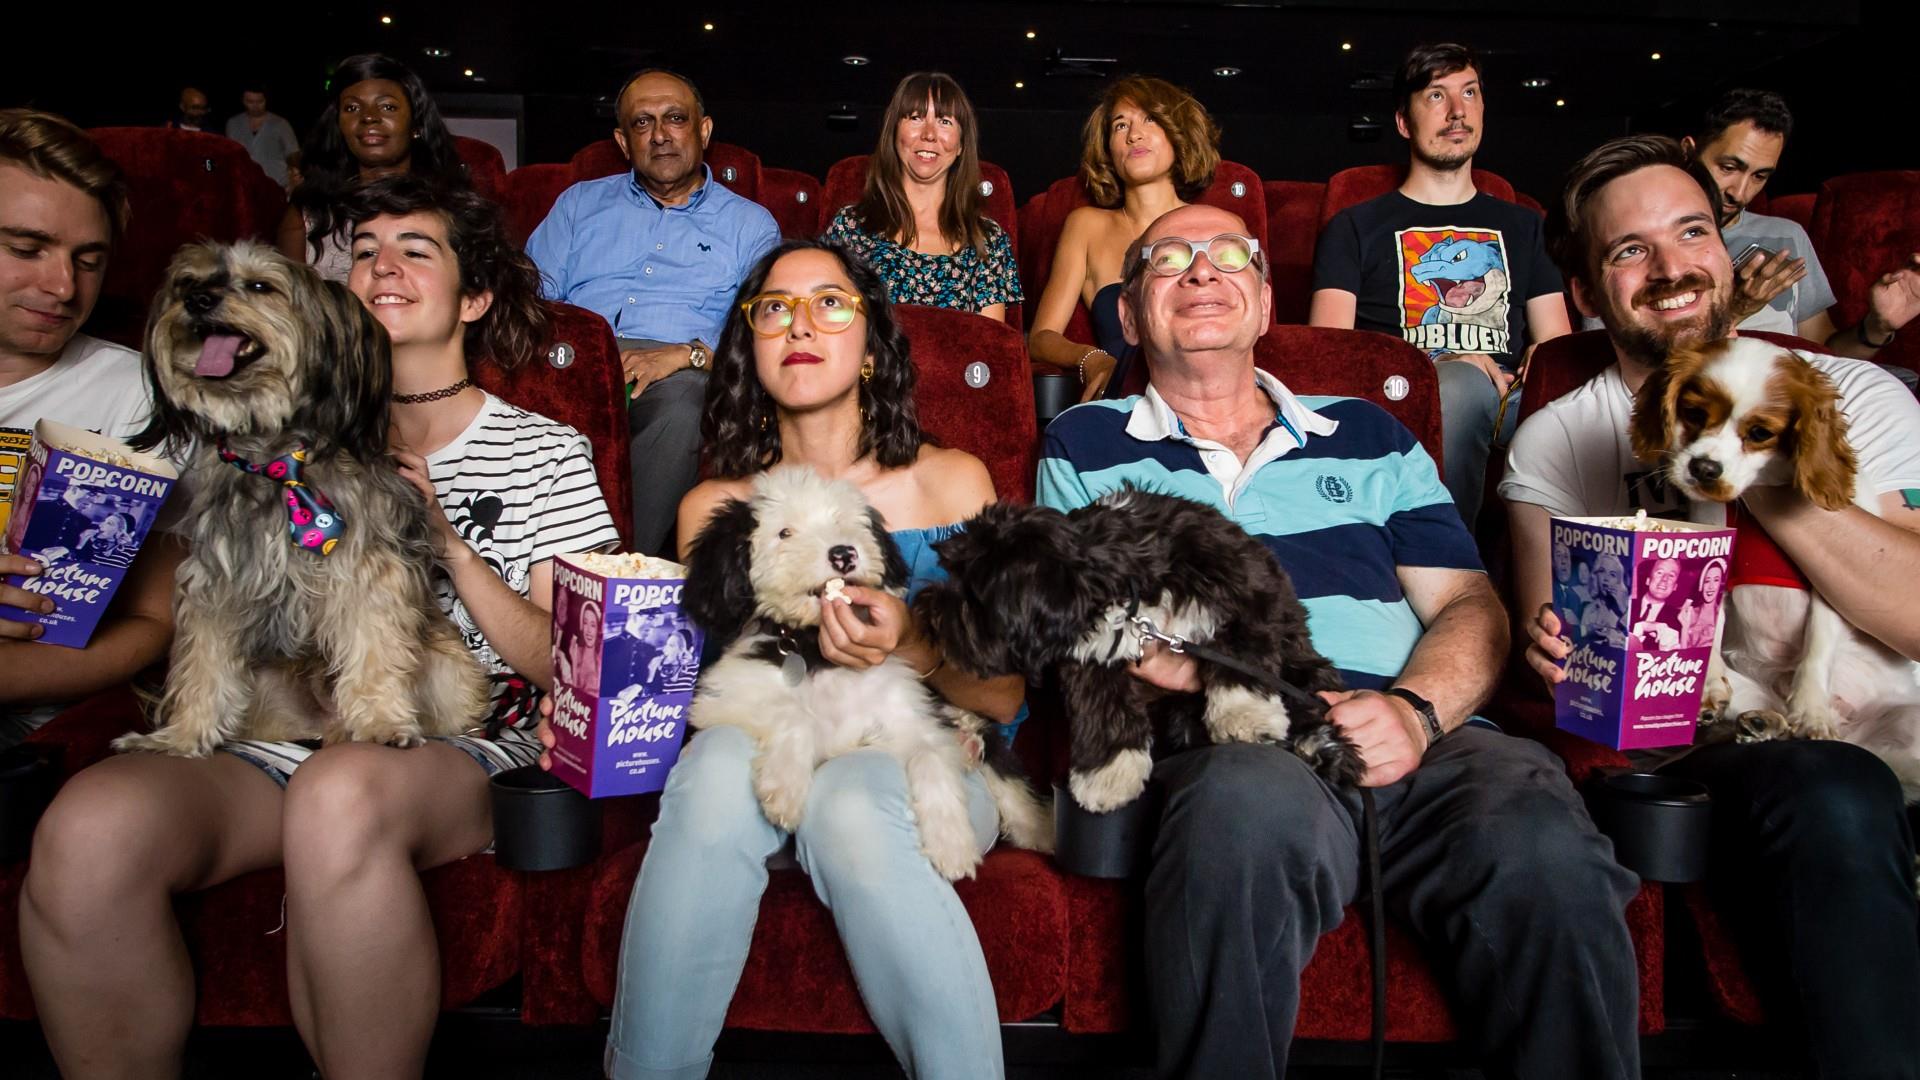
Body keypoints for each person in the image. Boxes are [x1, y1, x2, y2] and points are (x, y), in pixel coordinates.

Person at [20, 176, 621, 1076]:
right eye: (362, 250)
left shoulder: (544, 449)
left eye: (416, 250)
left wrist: (450, 547)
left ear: (477, 295)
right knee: (88, 829)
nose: (381, 266)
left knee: (337, 793)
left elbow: (587, 670)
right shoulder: (246, 431)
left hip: (452, 731)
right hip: (278, 725)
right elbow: (202, 601)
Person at [1040, 201, 1639, 1079]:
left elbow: (1471, 604)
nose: (1202, 271)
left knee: (1547, 847)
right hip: (1243, 739)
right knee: (1240, 810)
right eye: (1167, 260)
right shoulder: (1085, 444)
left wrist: (1415, 711)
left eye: (1227, 255)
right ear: (1128, 314)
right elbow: (1082, 622)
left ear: (1265, 298)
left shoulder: (1367, 432)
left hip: (1429, 738)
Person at [537, 236, 1026, 1080]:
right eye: (775, 308)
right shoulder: (714, 509)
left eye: (830, 302)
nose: (800, 321)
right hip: (767, 750)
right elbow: (692, 683)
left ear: (872, 344)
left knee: (850, 801)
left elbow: (1005, 694)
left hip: (926, 752)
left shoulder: (953, 484)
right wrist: (589, 706)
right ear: (750, 348)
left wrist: (905, 643)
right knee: (720, 763)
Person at [1501, 133, 1920, 1077]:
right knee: (1833, 786)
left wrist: (1761, 468)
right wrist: (1554, 643)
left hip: (1884, 698)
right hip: (1721, 739)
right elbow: (1566, 669)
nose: (1671, 267)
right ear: (1583, 286)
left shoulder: (1855, 391)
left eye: (1692, 231)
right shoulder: (1559, 434)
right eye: (1629, 249)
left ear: (1728, 250)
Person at [1309, 42, 1571, 531]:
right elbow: (1329, 352)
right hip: (1403, 389)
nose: (1457, 111)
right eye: (1435, 96)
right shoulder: (1356, 226)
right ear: (1404, 123)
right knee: (1460, 384)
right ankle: (1449, 567)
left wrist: (1544, 361)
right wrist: (1437, 364)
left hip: (1508, 396)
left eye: (1469, 93)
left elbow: (1556, 346)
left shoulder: (1524, 226)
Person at [527, 68, 780, 557]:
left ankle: (614, 569)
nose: (660, 135)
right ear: (623, 142)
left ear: (703, 131)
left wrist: (687, 355)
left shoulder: (749, 225)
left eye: (675, 119)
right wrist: (571, 356)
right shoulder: (580, 204)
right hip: (572, 357)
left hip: (681, 368)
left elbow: (759, 330)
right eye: (642, 124)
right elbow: (533, 294)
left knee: (683, 404)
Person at [0, 108, 177, 749]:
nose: (62, 285)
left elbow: (156, 621)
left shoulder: (136, 394)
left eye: (89, 260)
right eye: (26, 249)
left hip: (44, 728)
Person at [1680, 88, 1920, 386]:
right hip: (1718, 391)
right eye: (1729, 168)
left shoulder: (1787, 235)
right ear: (1689, 152)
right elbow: (1637, 365)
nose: (1739, 193)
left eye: (1759, 176)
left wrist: (1877, 326)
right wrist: (1736, 308)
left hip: (1797, 390)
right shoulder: (1653, 238)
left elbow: (1825, 351)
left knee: (1899, 381)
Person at [1027, 75, 1220, 402]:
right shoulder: (1087, 225)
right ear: (1108, 150)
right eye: (1120, 125)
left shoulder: (1214, 225)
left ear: (1179, 135)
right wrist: (1092, 358)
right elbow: (1041, 338)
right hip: (1128, 399)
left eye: (1151, 119)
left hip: (1211, 394)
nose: (1135, 135)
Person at [823, 72, 1021, 321]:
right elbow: (826, 323)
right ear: (894, 134)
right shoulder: (850, 226)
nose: (929, 134)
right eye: (915, 117)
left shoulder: (988, 240)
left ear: (961, 145)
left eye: (945, 121)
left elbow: (989, 347)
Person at [277, 53, 469, 282]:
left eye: (387, 107)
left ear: (416, 124)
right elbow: (289, 310)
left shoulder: (450, 206)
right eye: (352, 108)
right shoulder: (309, 212)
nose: (369, 117)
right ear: (339, 125)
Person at [225, 84, 300, 187]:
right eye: (250, 102)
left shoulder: (280, 124)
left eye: (260, 102)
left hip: (276, 185)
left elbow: (293, 154)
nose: (255, 106)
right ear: (242, 101)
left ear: (266, 100)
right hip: (245, 186)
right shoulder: (233, 124)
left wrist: (294, 179)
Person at [1678, 557, 1727, 649]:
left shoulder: (1722, 616)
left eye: (1716, 580)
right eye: (1707, 581)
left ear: (1721, 583)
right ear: (1701, 584)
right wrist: (1684, 627)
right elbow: (1683, 652)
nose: (1711, 587)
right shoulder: (1690, 613)